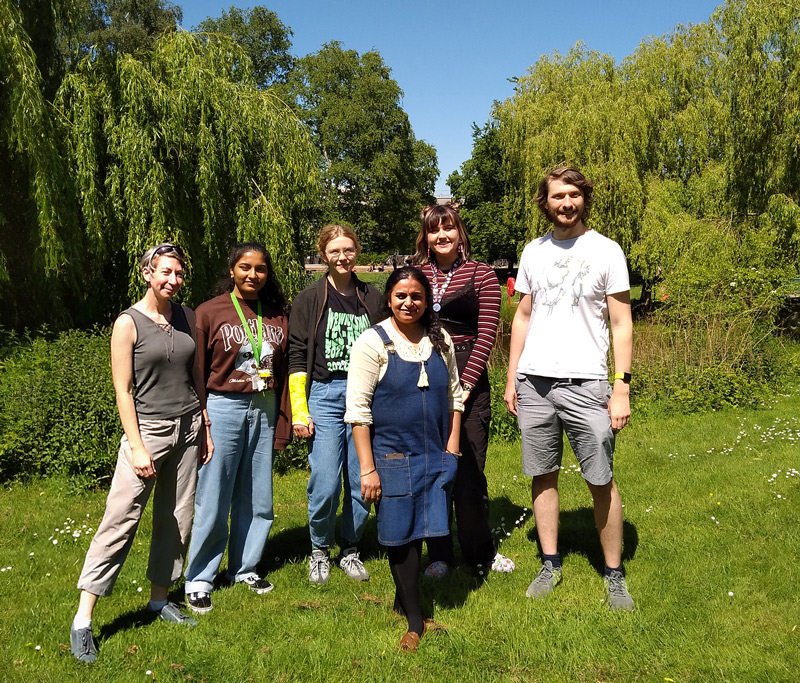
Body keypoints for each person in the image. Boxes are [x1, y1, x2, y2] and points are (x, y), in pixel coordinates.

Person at [71, 243, 213, 663]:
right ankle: (83, 619)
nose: (173, 280)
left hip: (188, 426)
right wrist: (135, 445)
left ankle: (159, 600)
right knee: (120, 519)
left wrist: (203, 424)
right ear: (148, 273)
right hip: (147, 431)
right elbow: (123, 389)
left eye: (179, 273)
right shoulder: (128, 323)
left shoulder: (185, 317)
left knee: (178, 517)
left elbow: (196, 377)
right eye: (165, 272)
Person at [503, 166, 635, 611]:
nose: (566, 203)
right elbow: (522, 316)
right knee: (543, 474)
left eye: (573, 195)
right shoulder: (533, 252)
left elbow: (621, 322)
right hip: (534, 381)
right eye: (558, 196)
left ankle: (614, 574)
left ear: (584, 200)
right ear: (546, 202)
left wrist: (622, 387)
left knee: (601, 478)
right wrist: (511, 376)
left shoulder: (606, 251)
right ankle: (550, 562)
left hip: (588, 382)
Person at [346, 267, 464, 652]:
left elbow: (454, 399)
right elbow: (358, 412)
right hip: (392, 456)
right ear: (389, 299)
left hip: (436, 455)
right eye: (400, 296)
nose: (408, 302)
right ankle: (416, 620)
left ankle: (404, 600)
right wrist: (368, 469)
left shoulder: (440, 339)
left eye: (416, 296)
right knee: (402, 537)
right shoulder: (372, 342)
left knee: (427, 528)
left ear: (427, 299)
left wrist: (452, 449)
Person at [183, 243, 291, 614]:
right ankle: (200, 577)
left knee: (257, 493)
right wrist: (202, 418)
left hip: (264, 404)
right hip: (222, 406)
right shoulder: (208, 312)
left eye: (260, 269)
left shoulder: (277, 313)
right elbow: (195, 372)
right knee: (214, 493)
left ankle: (245, 567)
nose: (252, 275)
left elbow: (285, 368)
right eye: (245, 267)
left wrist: (284, 420)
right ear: (232, 270)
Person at [414, 203, 514, 577]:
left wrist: (465, 387)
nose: (442, 236)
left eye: (449, 228)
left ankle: (480, 552)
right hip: (424, 381)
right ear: (426, 236)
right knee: (432, 471)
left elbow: (487, 333)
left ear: (459, 233)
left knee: (469, 471)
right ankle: (439, 554)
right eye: (434, 230)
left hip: (470, 380)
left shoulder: (482, 274)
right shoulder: (417, 275)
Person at [288, 224, 383, 584]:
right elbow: (297, 354)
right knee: (326, 481)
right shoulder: (309, 299)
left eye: (348, 250)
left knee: (362, 480)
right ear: (323, 254)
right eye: (334, 251)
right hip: (325, 395)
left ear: (357, 251)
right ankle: (319, 549)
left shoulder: (372, 298)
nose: (342, 257)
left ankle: (351, 548)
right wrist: (300, 408)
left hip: (364, 396)